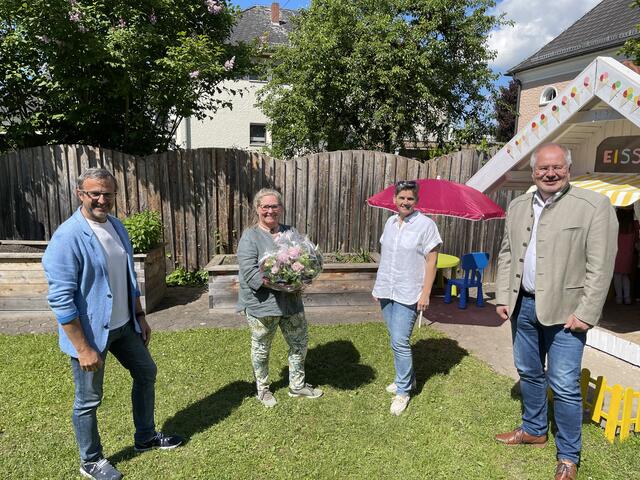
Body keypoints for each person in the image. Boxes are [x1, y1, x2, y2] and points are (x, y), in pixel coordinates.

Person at [42, 168, 182, 480]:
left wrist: (140, 316)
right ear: (81, 194)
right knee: (88, 400)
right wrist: (83, 348)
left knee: (146, 373)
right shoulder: (68, 237)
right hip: (91, 337)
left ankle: (145, 437)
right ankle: (90, 460)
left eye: (107, 194)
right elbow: (61, 300)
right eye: (95, 193)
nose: (102, 200)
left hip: (123, 326)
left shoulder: (116, 226)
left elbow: (128, 278)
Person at [494, 143, 618, 480]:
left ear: (568, 169)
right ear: (533, 172)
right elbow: (507, 254)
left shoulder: (593, 206)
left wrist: (587, 312)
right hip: (523, 306)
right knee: (529, 372)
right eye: (543, 168)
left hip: (568, 314)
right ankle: (534, 429)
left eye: (557, 167)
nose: (550, 173)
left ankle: (568, 457)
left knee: (564, 385)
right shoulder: (518, 206)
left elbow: (601, 265)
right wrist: (503, 296)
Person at [236, 188, 323, 407]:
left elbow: (304, 259)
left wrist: (303, 276)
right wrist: (283, 284)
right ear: (257, 209)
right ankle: (263, 389)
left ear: (281, 208)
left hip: (291, 303)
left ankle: (297, 385)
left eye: (274, 206)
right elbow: (250, 274)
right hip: (262, 305)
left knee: (299, 343)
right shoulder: (250, 237)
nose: (270, 211)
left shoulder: (290, 232)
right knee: (262, 348)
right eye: (265, 206)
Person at [372, 180, 441, 416]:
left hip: (409, 291)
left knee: (400, 340)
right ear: (394, 199)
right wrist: (378, 286)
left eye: (410, 198)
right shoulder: (390, 222)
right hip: (387, 289)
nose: (405, 202)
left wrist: (426, 293)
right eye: (401, 198)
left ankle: (403, 391)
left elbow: (432, 261)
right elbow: (386, 256)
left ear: (416, 201)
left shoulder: (426, 225)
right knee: (395, 338)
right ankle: (406, 379)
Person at [612, 207, 638, 304]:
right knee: (625, 275)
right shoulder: (634, 225)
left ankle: (619, 298)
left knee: (617, 275)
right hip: (628, 253)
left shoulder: (615, 224)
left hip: (616, 252)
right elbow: (636, 239)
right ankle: (627, 298)